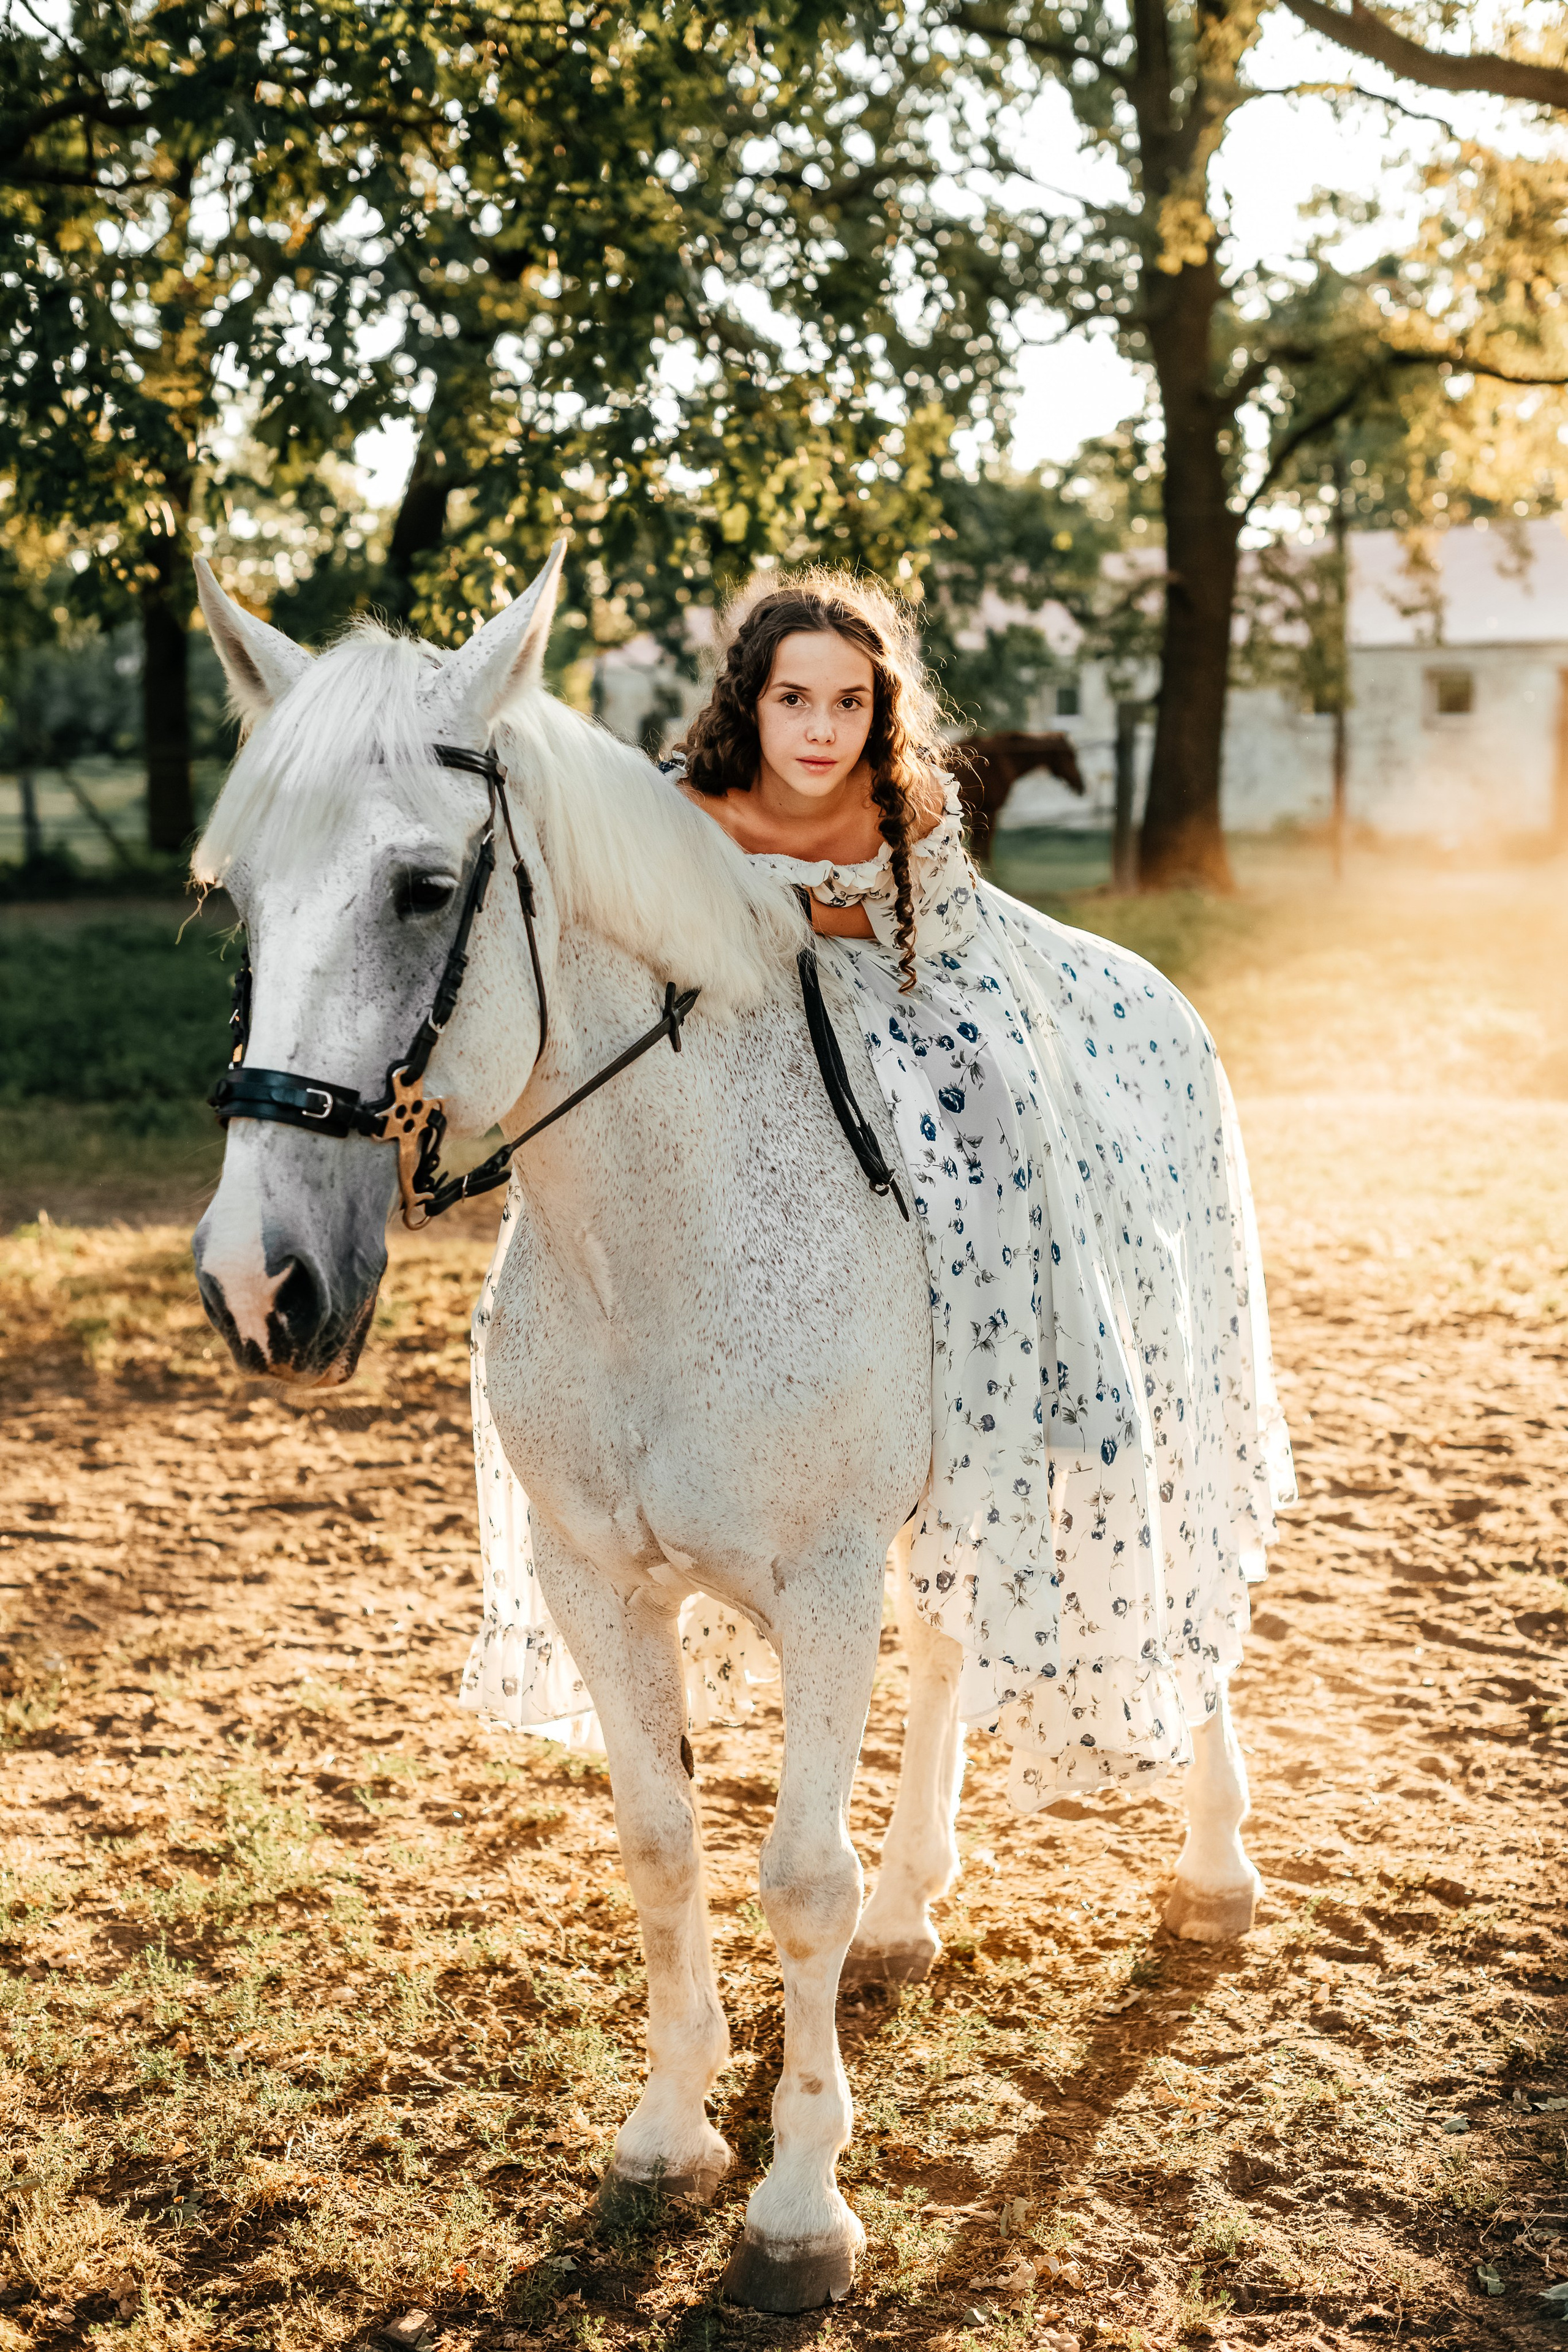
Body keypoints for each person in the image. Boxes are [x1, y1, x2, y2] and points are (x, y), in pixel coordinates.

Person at [662, 570, 1295, 1806]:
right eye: (793, 698)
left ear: (874, 711)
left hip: (928, 996)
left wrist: (764, 904)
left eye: (847, 703)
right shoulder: (687, 794)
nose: (818, 730)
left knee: (990, 1147)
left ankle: (1031, 1377)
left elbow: (914, 947)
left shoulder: (906, 801)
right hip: (760, 1010)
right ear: (753, 698)